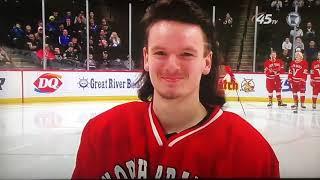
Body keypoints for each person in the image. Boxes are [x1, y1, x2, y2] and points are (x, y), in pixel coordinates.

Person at [72, 0, 279, 178]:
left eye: (187, 54)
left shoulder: (251, 152)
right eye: (160, 52)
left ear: (207, 63)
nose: (172, 66)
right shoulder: (101, 133)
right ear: (146, 58)